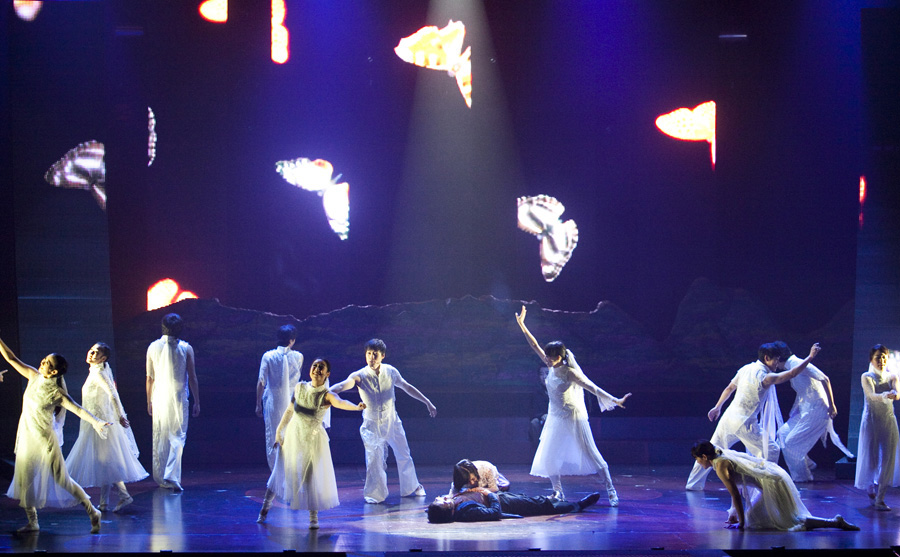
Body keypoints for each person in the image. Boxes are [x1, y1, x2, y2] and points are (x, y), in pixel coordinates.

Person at [515, 305, 631, 506]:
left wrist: (615, 400)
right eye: (547, 356)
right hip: (555, 417)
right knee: (549, 456)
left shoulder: (570, 372)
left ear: (561, 356)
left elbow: (592, 388)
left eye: (552, 357)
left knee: (592, 454)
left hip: (573, 416)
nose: (548, 359)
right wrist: (522, 325)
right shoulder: (549, 364)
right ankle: (557, 492)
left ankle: (611, 490)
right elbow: (534, 345)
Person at [0, 335, 110, 533]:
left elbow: (77, 409)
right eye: (43, 359)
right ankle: (33, 522)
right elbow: (11, 358)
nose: (42, 363)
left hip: (45, 442)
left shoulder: (56, 392)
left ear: (54, 371)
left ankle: (93, 511)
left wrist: (97, 422)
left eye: (47, 362)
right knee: (25, 480)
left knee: (62, 480)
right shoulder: (33, 376)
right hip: (27, 438)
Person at [685, 342, 822, 491]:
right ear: (767, 357)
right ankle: (766, 486)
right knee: (772, 450)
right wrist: (810, 357)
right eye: (776, 359)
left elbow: (729, 388)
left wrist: (718, 407)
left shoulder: (746, 368)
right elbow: (792, 374)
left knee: (712, 449)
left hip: (728, 419)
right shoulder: (765, 377)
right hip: (744, 423)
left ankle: (693, 484)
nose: (777, 363)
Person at [257, 359, 365, 529]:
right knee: (280, 471)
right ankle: (264, 509)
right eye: (314, 366)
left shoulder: (326, 394)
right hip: (293, 436)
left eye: (321, 367)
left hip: (312, 439)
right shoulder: (300, 387)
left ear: (327, 374)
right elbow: (289, 410)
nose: (316, 369)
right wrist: (279, 431)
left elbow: (341, 402)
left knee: (310, 476)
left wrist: (356, 407)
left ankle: (313, 517)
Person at [329, 338, 437, 504]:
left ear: (382, 356)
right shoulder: (360, 375)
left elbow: (407, 386)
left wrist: (427, 402)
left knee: (403, 453)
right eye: (369, 354)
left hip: (392, 420)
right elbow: (344, 385)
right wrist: (326, 392)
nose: (371, 357)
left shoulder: (391, 371)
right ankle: (375, 494)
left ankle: (411, 486)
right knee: (374, 459)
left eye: (375, 354)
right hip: (371, 424)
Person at [691, 440, 858, 531]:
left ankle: (835, 522)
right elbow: (737, 489)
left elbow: (735, 493)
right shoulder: (720, 453)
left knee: (790, 520)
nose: (698, 463)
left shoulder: (720, 465)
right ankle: (834, 522)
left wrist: (741, 523)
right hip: (772, 478)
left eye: (698, 459)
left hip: (774, 482)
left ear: (705, 456)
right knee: (755, 520)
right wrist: (734, 515)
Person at [65, 343, 148, 512]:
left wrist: (120, 416)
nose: (91, 353)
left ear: (103, 358)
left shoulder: (99, 373)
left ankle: (123, 496)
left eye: (96, 353)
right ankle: (105, 502)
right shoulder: (95, 372)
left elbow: (112, 394)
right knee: (105, 462)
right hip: (95, 423)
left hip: (102, 424)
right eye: (91, 350)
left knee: (106, 461)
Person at [775, 341, 854, 483]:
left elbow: (824, 378)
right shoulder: (792, 366)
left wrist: (832, 405)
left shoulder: (798, 363)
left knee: (791, 443)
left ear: (779, 358)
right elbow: (803, 391)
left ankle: (803, 477)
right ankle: (808, 464)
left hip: (817, 410)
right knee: (782, 434)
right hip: (805, 410)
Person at [146, 313, 200, 491]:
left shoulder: (153, 347)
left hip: (160, 396)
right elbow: (192, 377)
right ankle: (170, 475)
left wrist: (149, 401)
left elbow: (149, 378)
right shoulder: (186, 348)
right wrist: (197, 401)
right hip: (177, 396)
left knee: (162, 435)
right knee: (177, 435)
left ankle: (164, 476)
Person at [854, 344, 900, 511]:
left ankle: (880, 498)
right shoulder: (866, 376)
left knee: (888, 458)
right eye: (878, 357)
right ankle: (870, 487)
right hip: (872, 422)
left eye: (884, 357)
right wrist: (884, 395)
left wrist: (893, 394)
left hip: (888, 421)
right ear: (871, 360)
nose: (881, 360)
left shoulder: (893, 376)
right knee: (871, 458)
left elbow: (898, 393)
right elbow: (871, 396)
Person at [256, 324, 303, 471]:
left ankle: (277, 471)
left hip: (274, 400)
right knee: (290, 435)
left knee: (273, 435)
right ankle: (289, 471)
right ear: (292, 340)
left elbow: (261, 382)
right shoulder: (298, 356)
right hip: (291, 400)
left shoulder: (268, 356)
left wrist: (258, 403)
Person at [427, 487, 601, 523]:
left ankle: (559, 501)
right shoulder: (466, 513)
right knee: (542, 505)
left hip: (502, 497)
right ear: (447, 510)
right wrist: (489, 494)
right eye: (440, 502)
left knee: (536, 501)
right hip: (504, 503)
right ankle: (578, 505)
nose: (440, 498)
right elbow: (494, 512)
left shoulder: (456, 504)